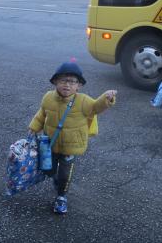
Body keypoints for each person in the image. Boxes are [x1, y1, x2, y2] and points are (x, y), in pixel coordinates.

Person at [28, 60, 117, 214]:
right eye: (63, 80)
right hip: (51, 143)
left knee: (64, 174)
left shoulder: (83, 101)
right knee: (48, 170)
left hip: (71, 146)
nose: (67, 85)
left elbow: (96, 107)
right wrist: (33, 128)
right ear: (55, 82)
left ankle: (61, 197)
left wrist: (106, 98)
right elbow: (41, 114)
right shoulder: (48, 97)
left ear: (79, 86)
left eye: (72, 82)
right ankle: (56, 179)